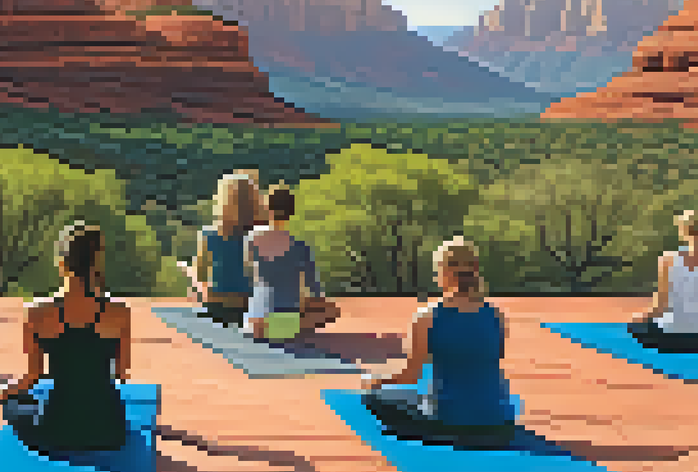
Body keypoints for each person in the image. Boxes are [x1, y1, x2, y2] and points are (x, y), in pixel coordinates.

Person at [361, 237, 517, 448]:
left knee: (374, 397)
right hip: (498, 420)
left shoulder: (427, 316)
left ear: (445, 272)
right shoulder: (497, 315)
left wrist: (375, 381)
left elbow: (410, 375)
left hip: (447, 421)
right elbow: (490, 360)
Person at [0, 222, 130, 453]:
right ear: (96, 263)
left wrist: (5, 391)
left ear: (62, 264)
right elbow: (122, 372)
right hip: (107, 428)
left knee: (13, 405)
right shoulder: (119, 312)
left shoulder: (37, 312)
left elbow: (33, 377)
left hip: (57, 428)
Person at [628, 210, 698, 353]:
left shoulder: (667, 259)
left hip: (671, 336)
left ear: (681, 230)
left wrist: (641, 317)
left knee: (634, 326)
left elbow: (660, 306)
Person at [242, 185, 341, 341]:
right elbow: (314, 289)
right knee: (332, 311)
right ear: (292, 212)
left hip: (254, 320)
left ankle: (264, 326)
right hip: (284, 320)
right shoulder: (301, 247)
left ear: (267, 209)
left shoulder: (251, 237)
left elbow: (247, 273)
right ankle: (293, 327)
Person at [184, 173, 259, 327]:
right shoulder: (262, 235)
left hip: (218, 308)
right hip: (251, 308)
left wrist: (188, 271)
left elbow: (201, 276)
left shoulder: (209, 235)